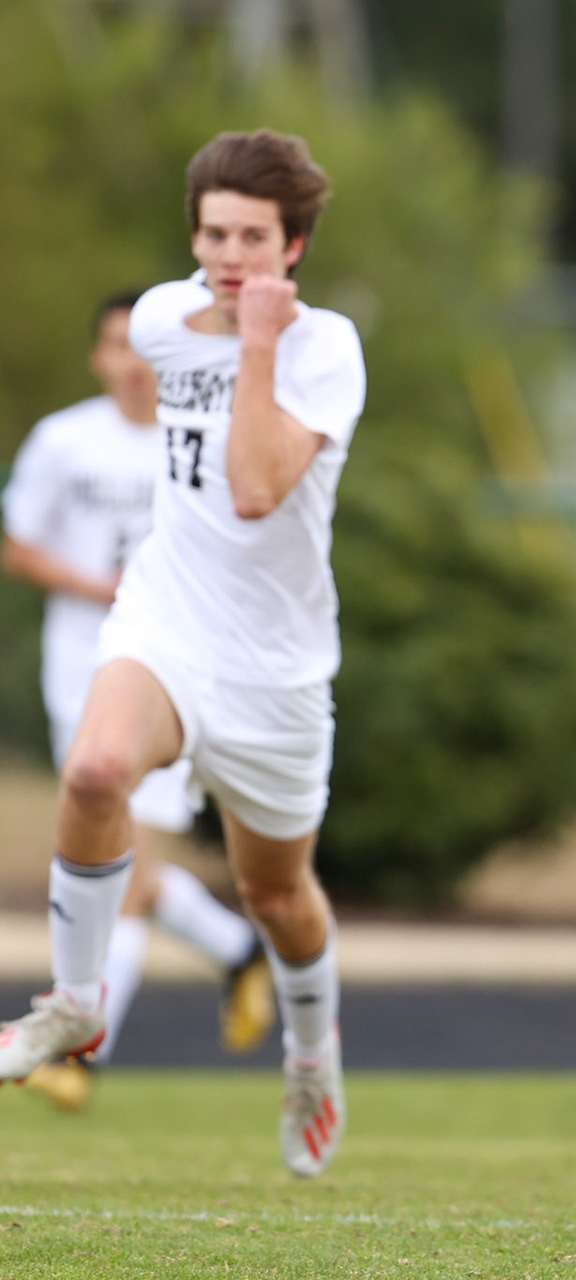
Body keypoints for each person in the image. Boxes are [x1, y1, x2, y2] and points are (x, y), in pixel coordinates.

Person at [0, 130, 365, 1179]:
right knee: (95, 768)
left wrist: (258, 343)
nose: (229, 255)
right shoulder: (161, 316)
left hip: (277, 667)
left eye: (253, 236)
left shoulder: (327, 347)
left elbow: (256, 487)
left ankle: (311, 1052)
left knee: (279, 898)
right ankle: (73, 1004)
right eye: (213, 234)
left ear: (294, 246)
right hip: (166, 619)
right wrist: (223, 326)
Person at [1, 293, 274, 1111]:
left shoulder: (202, 435)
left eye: (141, 345)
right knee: (118, 861)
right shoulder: (64, 439)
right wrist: (93, 585)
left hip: (169, 669)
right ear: (97, 357)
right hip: (77, 665)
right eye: (114, 346)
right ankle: (238, 951)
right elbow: (17, 543)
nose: (130, 362)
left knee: (124, 871)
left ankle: (80, 1049)